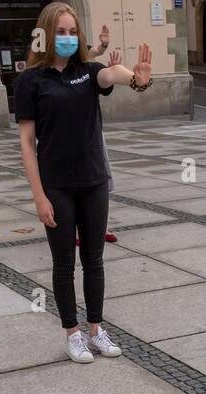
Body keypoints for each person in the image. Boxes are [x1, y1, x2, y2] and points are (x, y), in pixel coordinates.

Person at [15, 2, 152, 364]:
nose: (67, 37)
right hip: (56, 185)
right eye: (60, 31)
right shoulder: (30, 80)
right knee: (64, 263)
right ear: (45, 34)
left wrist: (137, 79)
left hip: (93, 181)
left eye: (72, 31)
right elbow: (27, 143)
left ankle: (96, 330)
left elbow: (110, 75)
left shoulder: (87, 71)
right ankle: (72, 334)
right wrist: (39, 196)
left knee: (94, 260)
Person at [86, 24, 117, 243]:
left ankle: (101, 226)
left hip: (92, 132)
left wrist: (104, 44)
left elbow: (93, 52)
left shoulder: (85, 65)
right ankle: (79, 229)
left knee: (102, 177)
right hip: (66, 136)